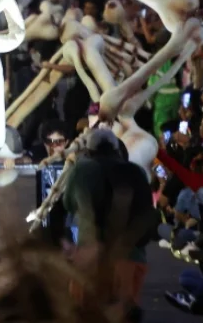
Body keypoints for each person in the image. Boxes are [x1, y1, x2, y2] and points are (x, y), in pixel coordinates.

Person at [63, 128, 157, 305]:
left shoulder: (82, 169)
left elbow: (68, 204)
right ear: (117, 150)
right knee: (123, 313)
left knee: (86, 312)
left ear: (89, 151)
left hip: (92, 256)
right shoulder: (136, 172)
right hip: (131, 256)